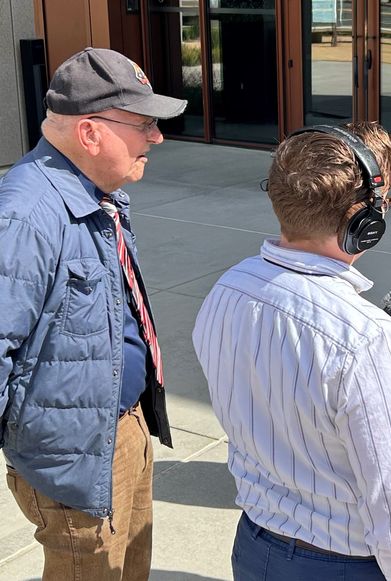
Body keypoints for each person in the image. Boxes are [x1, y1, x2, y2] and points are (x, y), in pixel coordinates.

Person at [192, 122, 391, 581]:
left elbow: (274, 402)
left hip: (254, 546)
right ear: (362, 224)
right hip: (343, 565)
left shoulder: (226, 290)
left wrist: (387, 373)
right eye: (385, 201)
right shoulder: (366, 339)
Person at [0, 47, 186, 580]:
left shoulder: (96, 194)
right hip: (72, 454)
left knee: (130, 568)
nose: (157, 137)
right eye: (144, 124)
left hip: (120, 429)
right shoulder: (27, 215)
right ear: (90, 133)